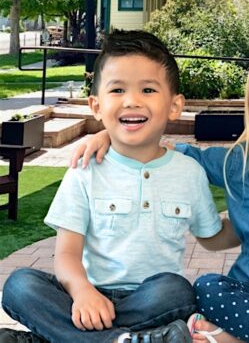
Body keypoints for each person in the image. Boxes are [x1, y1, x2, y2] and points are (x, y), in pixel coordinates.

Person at [70, 35, 249, 343]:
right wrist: (108, 135)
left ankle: (243, 338)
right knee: (207, 288)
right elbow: (162, 148)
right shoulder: (236, 161)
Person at [1, 31, 237, 343]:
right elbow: (67, 254)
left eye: (148, 89)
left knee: (177, 290)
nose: (132, 100)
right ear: (96, 106)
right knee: (19, 285)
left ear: (174, 106)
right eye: (117, 89)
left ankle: (74, 339)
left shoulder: (188, 172)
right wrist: (82, 292)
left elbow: (213, 237)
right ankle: (124, 339)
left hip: (151, 301)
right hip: (87, 295)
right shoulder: (85, 170)